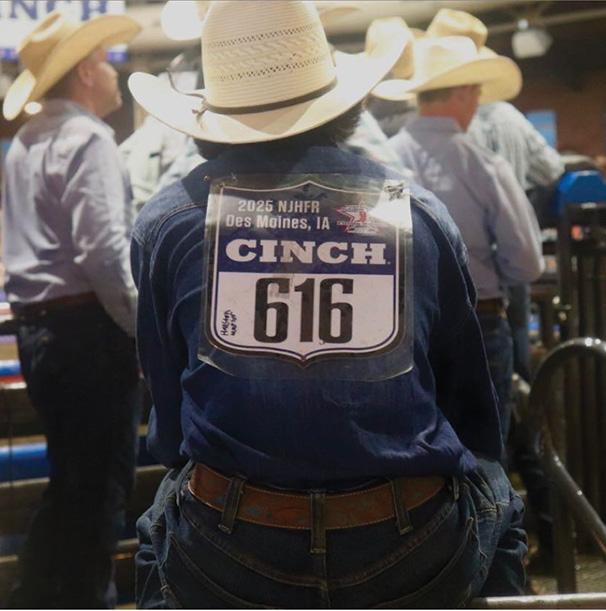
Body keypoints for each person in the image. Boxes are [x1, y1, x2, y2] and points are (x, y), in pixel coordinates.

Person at [128, 2, 526, 607]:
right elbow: (467, 401)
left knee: (160, 523)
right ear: (340, 104)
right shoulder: (419, 213)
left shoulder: (167, 223)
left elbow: (169, 411)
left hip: (230, 544)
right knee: (498, 491)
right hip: (410, 543)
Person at [1, 11, 141, 608]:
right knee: (99, 488)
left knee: (70, 484)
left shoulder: (26, 141)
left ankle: (34, 596)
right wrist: (141, 331)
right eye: (107, 63)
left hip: (41, 331)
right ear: (86, 72)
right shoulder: (88, 138)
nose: (115, 75)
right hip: (87, 332)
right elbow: (104, 254)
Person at [388, 36, 544, 445]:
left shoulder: (383, 159)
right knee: (483, 455)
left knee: (415, 452)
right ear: (460, 92)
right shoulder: (483, 165)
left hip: (399, 330)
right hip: (478, 322)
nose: (477, 103)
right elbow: (526, 262)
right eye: (475, 92)